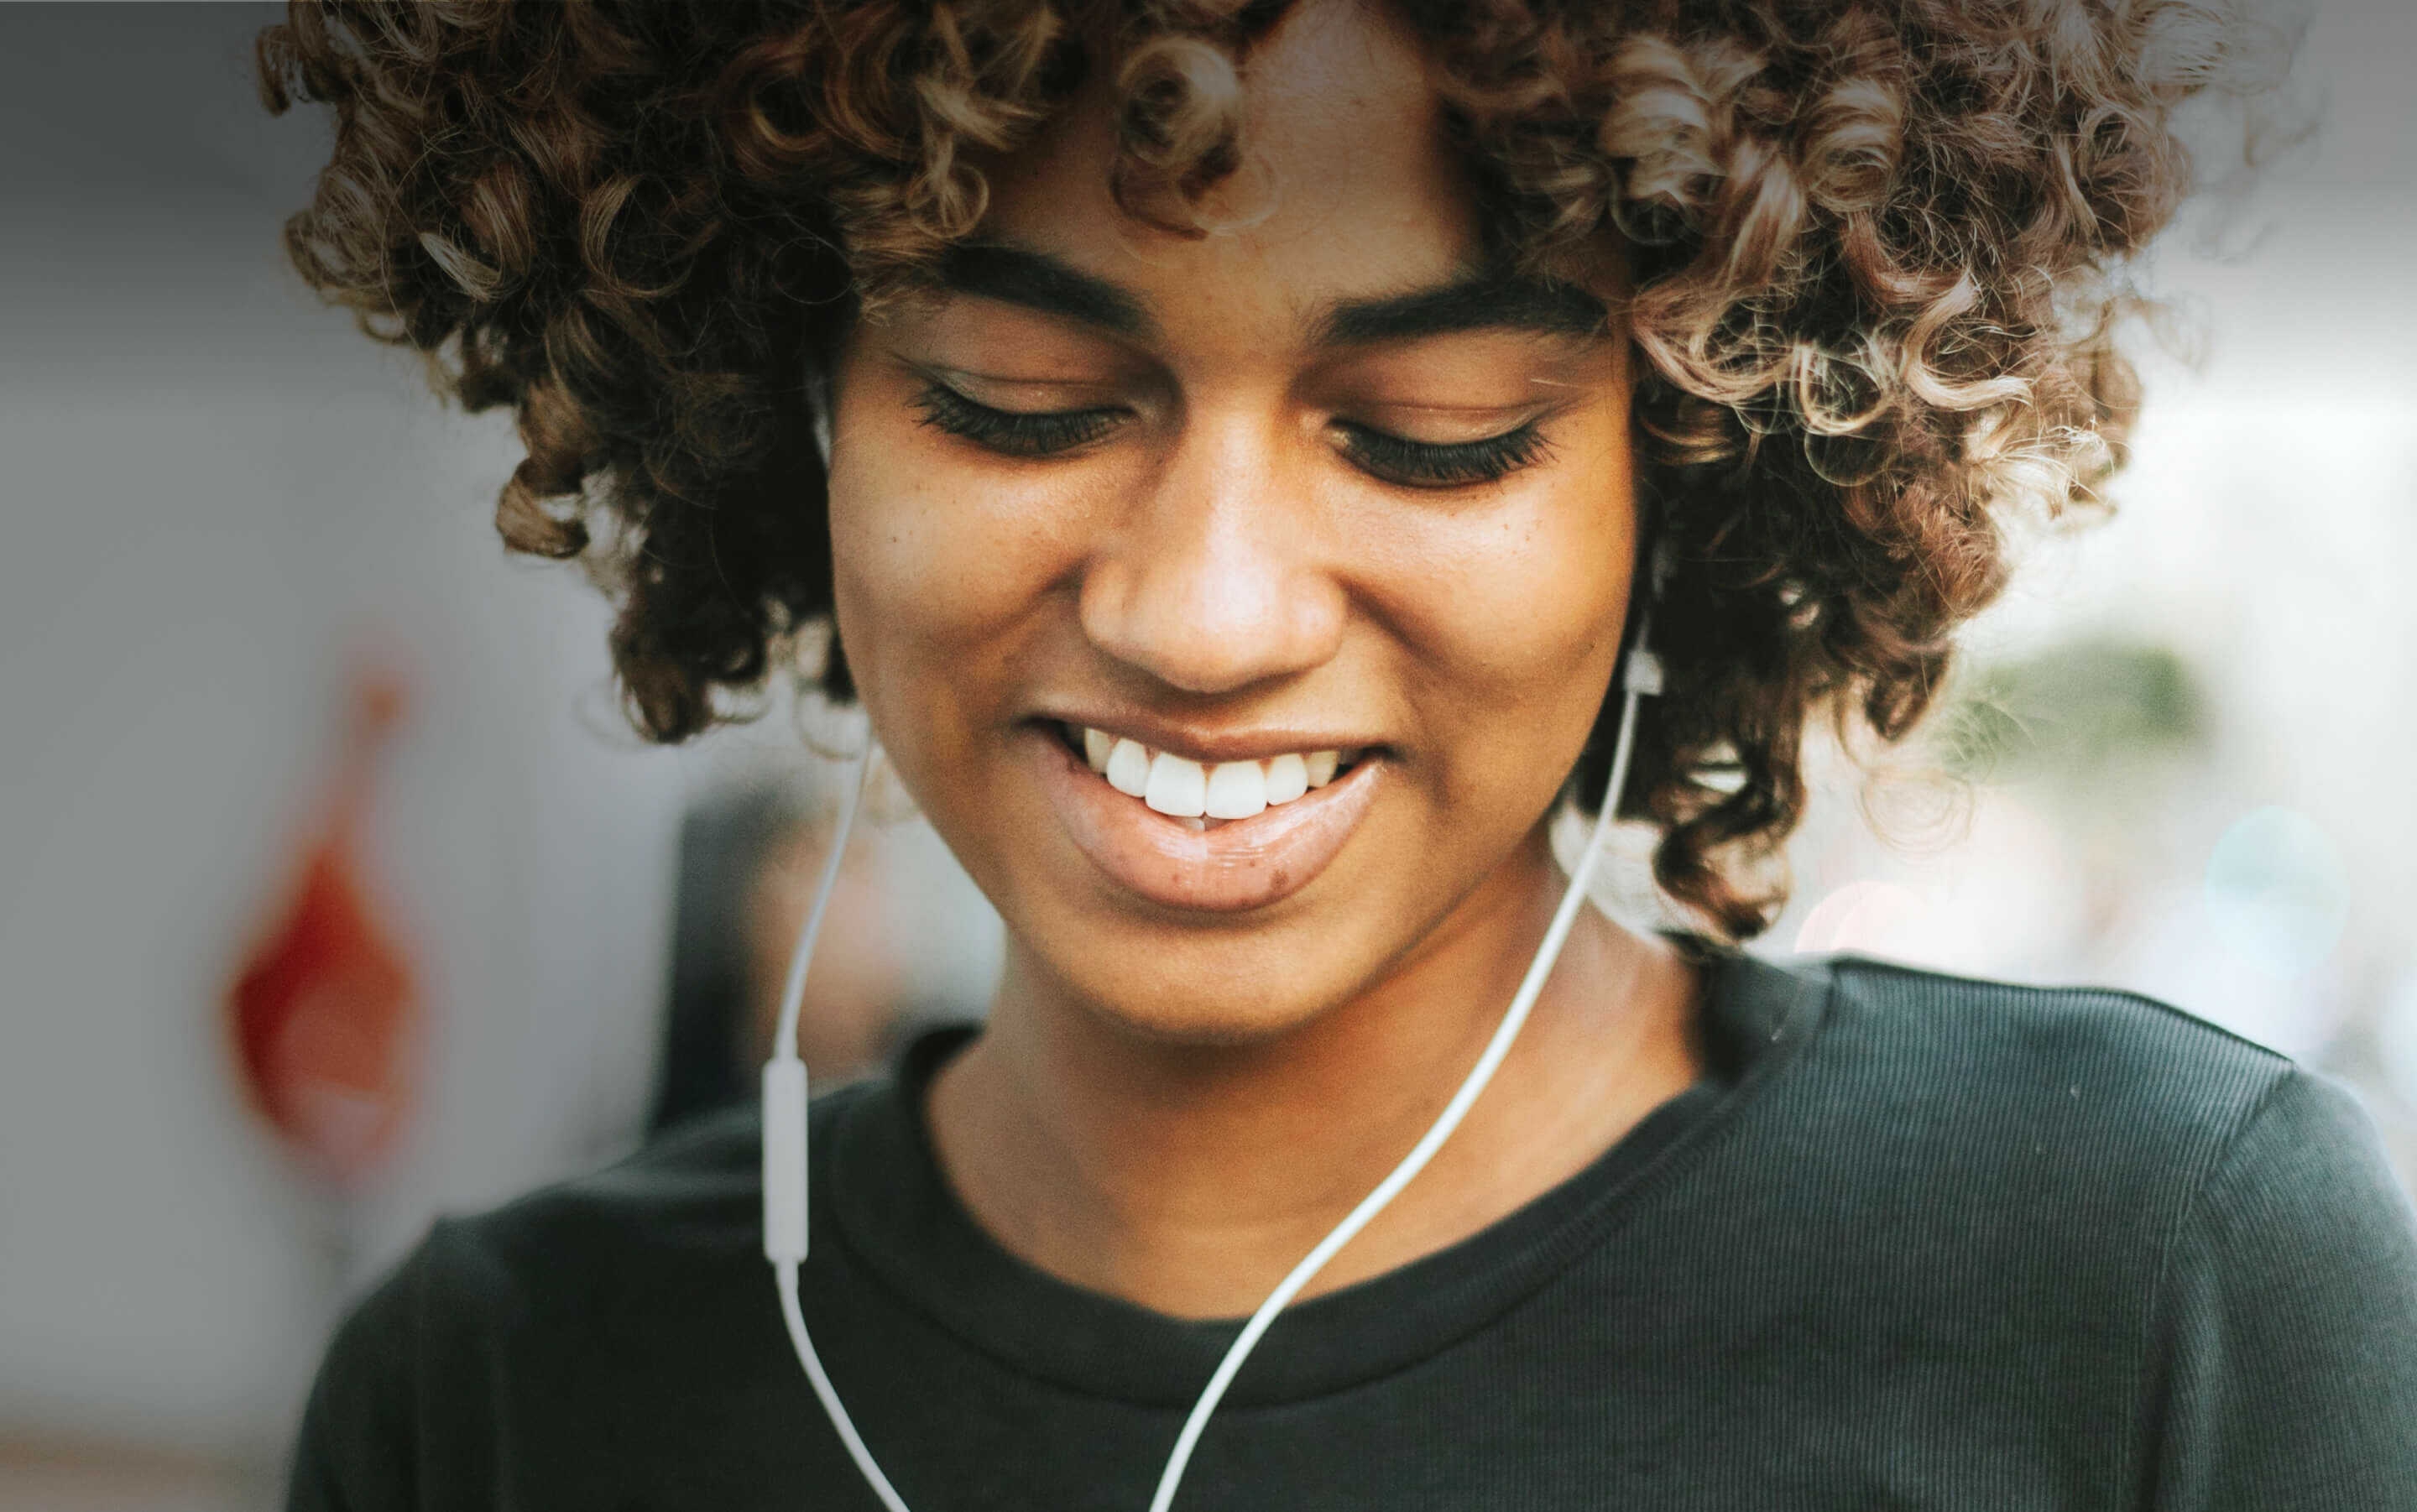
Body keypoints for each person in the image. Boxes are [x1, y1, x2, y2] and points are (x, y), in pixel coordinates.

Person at [260, 1, 2417, 1508]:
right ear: (789, 407)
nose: (1208, 615)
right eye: (1017, 397)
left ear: (1685, 458)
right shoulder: (502, 1399)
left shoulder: (2154, 1280)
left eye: (1436, 436)